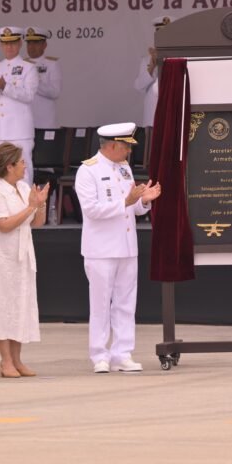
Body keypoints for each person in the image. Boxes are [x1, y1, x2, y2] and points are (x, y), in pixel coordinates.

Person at [75, 123, 161, 373]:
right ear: (112, 145)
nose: (129, 153)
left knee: (125, 302)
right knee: (100, 303)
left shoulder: (124, 169)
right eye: (125, 147)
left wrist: (143, 201)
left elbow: (131, 208)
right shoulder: (87, 171)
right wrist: (126, 201)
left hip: (126, 246)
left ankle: (122, 352)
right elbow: (91, 210)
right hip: (101, 248)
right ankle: (99, 355)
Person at [0, 142, 49, 378]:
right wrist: (30, 208)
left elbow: (37, 223)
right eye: (21, 162)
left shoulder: (23, 186)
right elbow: (4, 225)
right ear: (9, 166)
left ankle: (17, 360)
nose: (25, 165)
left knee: (20, 305)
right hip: (1, 256)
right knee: (2, 306)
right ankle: (5, 361)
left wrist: (41, 205)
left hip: (23, 254)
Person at [0, 26, 38, 184]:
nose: (9, 47)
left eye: (12, 43)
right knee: (2, 172)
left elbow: (29, 95)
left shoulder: (29, 67)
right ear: (1, 45)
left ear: (20, 43)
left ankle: (27, 207)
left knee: (23, 171)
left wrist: (6, 87)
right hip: (0, 130)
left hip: (20, 130)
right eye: (5, 44)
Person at [133, 16, 173, 165]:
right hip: (151, 117)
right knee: (151, 158)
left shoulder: (179, 56)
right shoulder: (147, 59)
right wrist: (152, 66)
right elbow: (139, 86)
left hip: (170, 113)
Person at [24, 27, 61, 130]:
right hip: (24, 123)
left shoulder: (51, 64)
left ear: (44, 45)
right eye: (29, 43)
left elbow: (55, 92)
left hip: (44, 123)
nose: (31, 47)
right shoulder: (20, 65)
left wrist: (35, 83)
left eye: (35, 43)